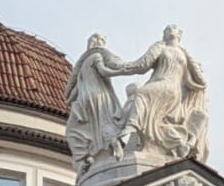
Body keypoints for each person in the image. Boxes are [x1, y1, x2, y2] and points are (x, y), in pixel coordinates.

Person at [111, 25, 208, 163]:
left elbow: (201, 81)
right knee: (156, 123)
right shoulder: (160, 47)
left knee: (141, 94)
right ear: (164, 34)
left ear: (179, 34)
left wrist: (193, 86)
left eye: (174, 28)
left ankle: (131, 126)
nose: (171, 29)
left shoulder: (184, 53)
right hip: (161, 84)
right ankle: (176, 143)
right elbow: (141, 65)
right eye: (168, 29)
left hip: (172, 89)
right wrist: (119, 68)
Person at [65, 34, 126, 175]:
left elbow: (74, 91)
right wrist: (121, 70)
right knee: (101, 123)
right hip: (94, 98)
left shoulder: (93, 58)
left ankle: (99, 151)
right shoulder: (91, 60)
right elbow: (105, 72)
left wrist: (68, 100)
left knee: (78, 128)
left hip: (89, 99)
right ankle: (90, 155)